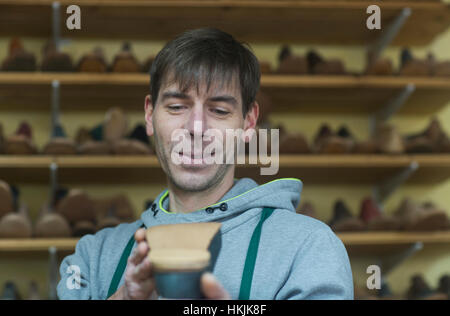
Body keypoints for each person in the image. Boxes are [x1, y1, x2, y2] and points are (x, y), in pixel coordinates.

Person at [57, 28, 353, 300]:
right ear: (150, 115)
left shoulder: (310, 247)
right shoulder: (91, 257)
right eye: (176, 107)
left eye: (220, 110)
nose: (197, 127)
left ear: (248, 122)